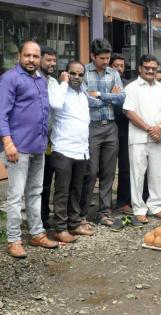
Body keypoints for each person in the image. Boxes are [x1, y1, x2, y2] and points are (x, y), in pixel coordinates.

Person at [0, 41, 58, 258]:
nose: (31, 60)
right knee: (15, 196)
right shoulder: (9, 79)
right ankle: (13, 240)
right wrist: (7, 142)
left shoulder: (41, 80)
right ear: (20, 57)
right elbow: (1, 113)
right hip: (17, 148)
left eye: (35, 56)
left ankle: (36, 233)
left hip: (38, 147)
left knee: (35, 192)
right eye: (28, 55)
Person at [123, 54, 161, 225]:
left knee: (156, 174)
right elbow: (129, 112)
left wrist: (159, 128)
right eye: (147, 68)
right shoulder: (131, 88)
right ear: (140, 68)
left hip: (158, 138)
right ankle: (139, 209)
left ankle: (156, 207)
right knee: (137, 175)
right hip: (138, 138)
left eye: (154, 68)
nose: (151, 71)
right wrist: (149, 129)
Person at [80, 38, 125, 227]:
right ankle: (81, 213)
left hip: (110, 127)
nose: (106, 61)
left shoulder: (113, 73)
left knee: (108, 171)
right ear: (92, 56)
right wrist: (109, 97)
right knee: (90, 171)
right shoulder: (83, 72)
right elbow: (83, 99)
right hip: (92, 127)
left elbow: (122, 98)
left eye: (107, 58)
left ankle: (104, 212)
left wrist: (99, 95)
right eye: (102, 58)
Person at [49, 61, 94, 243]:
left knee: (76, 189)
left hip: (81, 149)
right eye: (72, 73)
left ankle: (74, 224)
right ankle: (60, 228)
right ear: (65, 73)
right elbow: (55, 104)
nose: (76, 77)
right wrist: (64, 82)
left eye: (80, 74)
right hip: (63, 148)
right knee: (62, 190)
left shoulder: (82, 94)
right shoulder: (59, 90)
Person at [39, 46, 59, 229]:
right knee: (36, 184)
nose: (52, 63)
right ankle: (36, 219)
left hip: (52, 141)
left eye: (54, 60)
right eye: (48, 60)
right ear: (40, 60)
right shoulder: (32, 79)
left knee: (47, 182)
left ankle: (44, 218)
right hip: (34, 141)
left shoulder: (54, 82)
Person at [110, 53, 132, 215]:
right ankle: (105, 204)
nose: (119, 69)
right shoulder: (103, 84)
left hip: (125, 131)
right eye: (116, 65)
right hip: (107, 131)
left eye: (121, 66)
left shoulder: (128, 86)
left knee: (125, 168)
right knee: (107, 170)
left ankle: (123, 202)